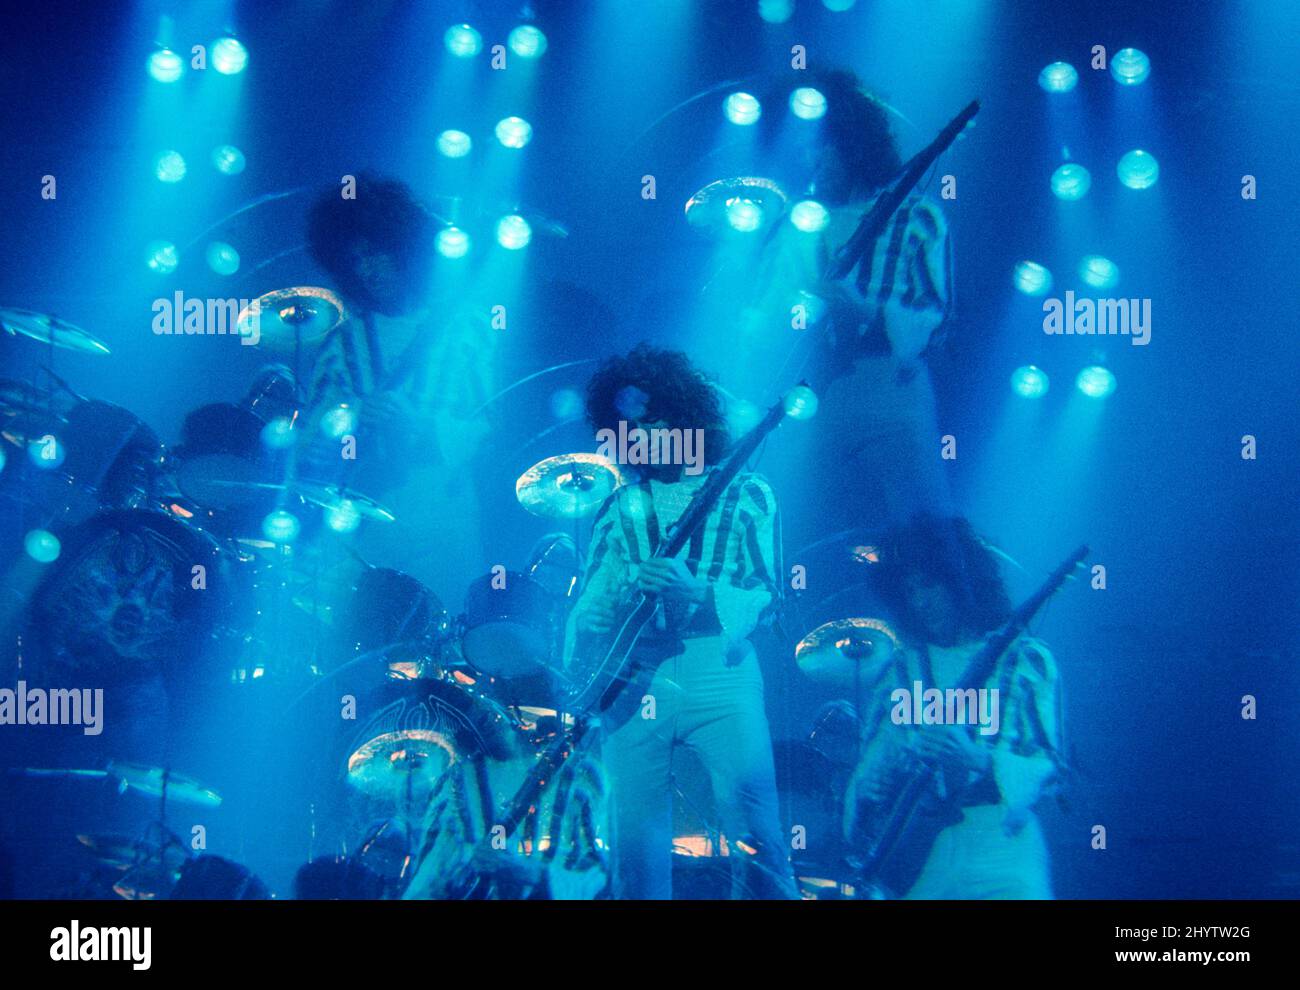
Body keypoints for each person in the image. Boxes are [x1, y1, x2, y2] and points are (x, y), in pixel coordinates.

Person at [565, 344, 797, 899]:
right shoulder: (619, 505)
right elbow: (593, 595)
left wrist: (700, 594)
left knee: (755, 826)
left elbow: (770, 596)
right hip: (634, 674)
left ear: (685, 417)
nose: (641, 437)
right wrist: (592, 615)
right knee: (632, 842)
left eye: (653, 421)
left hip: (720, 665)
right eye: (629, 428)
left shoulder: (747, 492)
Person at [730, 69, 955, 533]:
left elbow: (937, 318)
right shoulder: (798, 224)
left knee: (922, 529)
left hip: (891, 388)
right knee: (792, 523)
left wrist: (861, 309)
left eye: (823, 145)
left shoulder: (919, 216)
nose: (811, 159)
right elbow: (767, 312)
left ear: (852, 144)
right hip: (811, 388)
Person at [845, 513, 1062, 899]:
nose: (921, 602)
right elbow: (874, 761)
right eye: (909, 591)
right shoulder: (903, 669)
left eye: (929, 585)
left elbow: (1050, 767)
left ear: (962, 584)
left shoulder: (1024, 660)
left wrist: (979, 760)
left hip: (1003, 843)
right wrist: (872, 785)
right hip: (925, 852)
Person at [303, 172, 493, 595]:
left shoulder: (469, 326)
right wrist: (346, 420)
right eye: (354, 259)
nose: (366, 269)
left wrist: (422, 428)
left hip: (441, 516)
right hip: (357, 517)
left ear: (405, 249)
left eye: (376, 252)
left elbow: (492, 428)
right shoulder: (341, 338)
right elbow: (311, 436)